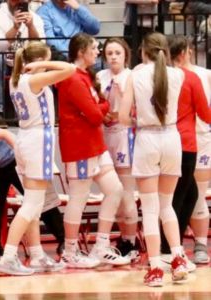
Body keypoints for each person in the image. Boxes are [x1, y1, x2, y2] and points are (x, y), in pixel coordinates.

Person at [0, 41, 74, 276]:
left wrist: (39, 64)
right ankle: (9, 256)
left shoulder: (16, 80)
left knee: (33, 202)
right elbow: (69, 69)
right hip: (38, 140)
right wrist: (45, 63)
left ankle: (37, 254)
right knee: (32, 204)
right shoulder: (33, 79)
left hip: (25, 139)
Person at [119, 32, 189, 287]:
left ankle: (157, 267)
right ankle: (179, 257)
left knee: (149, 209)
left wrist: (139, 120)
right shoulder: (178, 74)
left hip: (147, 138)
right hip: (171, 137)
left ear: (142, 51)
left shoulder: (134, 75)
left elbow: (123, 117)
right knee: (166, 205)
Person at [56, 33, 131, 269]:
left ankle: (101, 245)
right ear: (81, 52)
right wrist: (105, 104)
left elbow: (96, 109)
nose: (98, 52)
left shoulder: (85, 76)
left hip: (95, 145)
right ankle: (69, 251)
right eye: (95, 48)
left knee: (115, 189)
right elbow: (96, 114)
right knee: (79, 198)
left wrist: (100, 105)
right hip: (79, 147)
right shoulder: (72, 79)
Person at [0, 121, 65, 263]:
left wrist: (23, 159)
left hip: (13, 160)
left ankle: (64, 239)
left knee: (40, 200)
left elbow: (6, 134)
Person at [159, 35, 211, 268]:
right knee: (179, 197)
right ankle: (168, 248)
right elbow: (205, 112)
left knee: (185, 195)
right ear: (184, 53)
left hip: (163, 140)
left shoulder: (158, 76)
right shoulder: (189, 77)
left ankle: (174, 244)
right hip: (186, 142)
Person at [96, 38, 140, 261]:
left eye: (117, 53)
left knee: (126, 193)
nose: (113, 56)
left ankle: (130, 242)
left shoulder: (131, 76)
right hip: (104, 133)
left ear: (125, 55)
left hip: (124, 134)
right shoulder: (99, 77)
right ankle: (123, 238)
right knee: (112, 192)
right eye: (109, 52)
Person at [189, 53, 211, 265]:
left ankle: (201, 244)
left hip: (202, 138)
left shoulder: (205, 75)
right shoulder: (169, 75)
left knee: (198, 195)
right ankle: (170, 246)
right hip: (176, 138)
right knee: (173, 197)